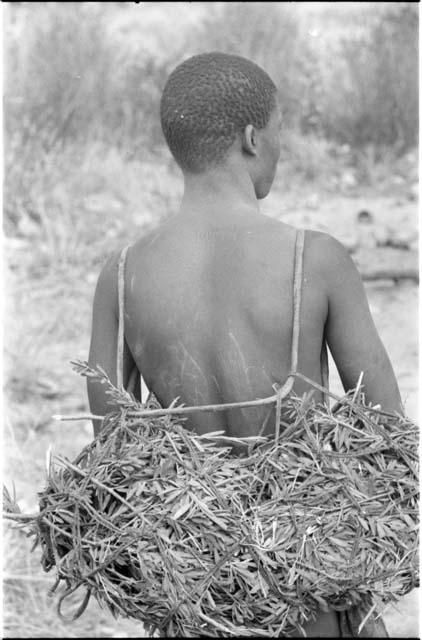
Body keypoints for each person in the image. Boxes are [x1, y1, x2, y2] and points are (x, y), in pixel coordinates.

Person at [87, 52, 402, 637]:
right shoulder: (316, 260)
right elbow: (389, 439)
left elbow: (113, 468)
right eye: (281, 131)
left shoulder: (123, 276)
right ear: (254, 138)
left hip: (199, 600)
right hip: (308, 593)